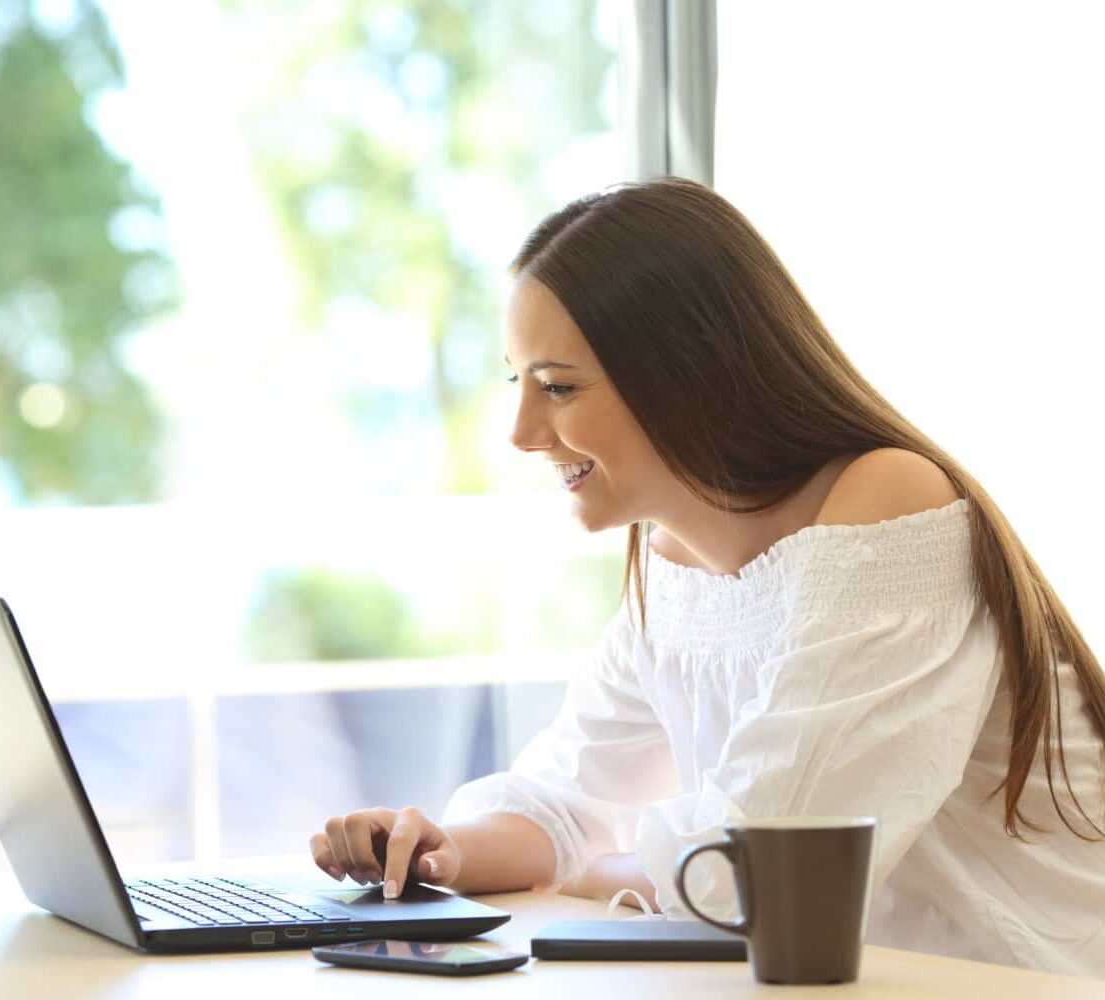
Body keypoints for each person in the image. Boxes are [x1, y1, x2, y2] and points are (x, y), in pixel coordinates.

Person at [307, 177, 1105, 977]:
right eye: (519, 382)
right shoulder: (673, 566)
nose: (521, 432)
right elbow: (570, 797)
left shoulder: (890, 502)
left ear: (691, 370)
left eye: (559, 387)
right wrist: (436, 852)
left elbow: (758, 869)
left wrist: (594, 874)